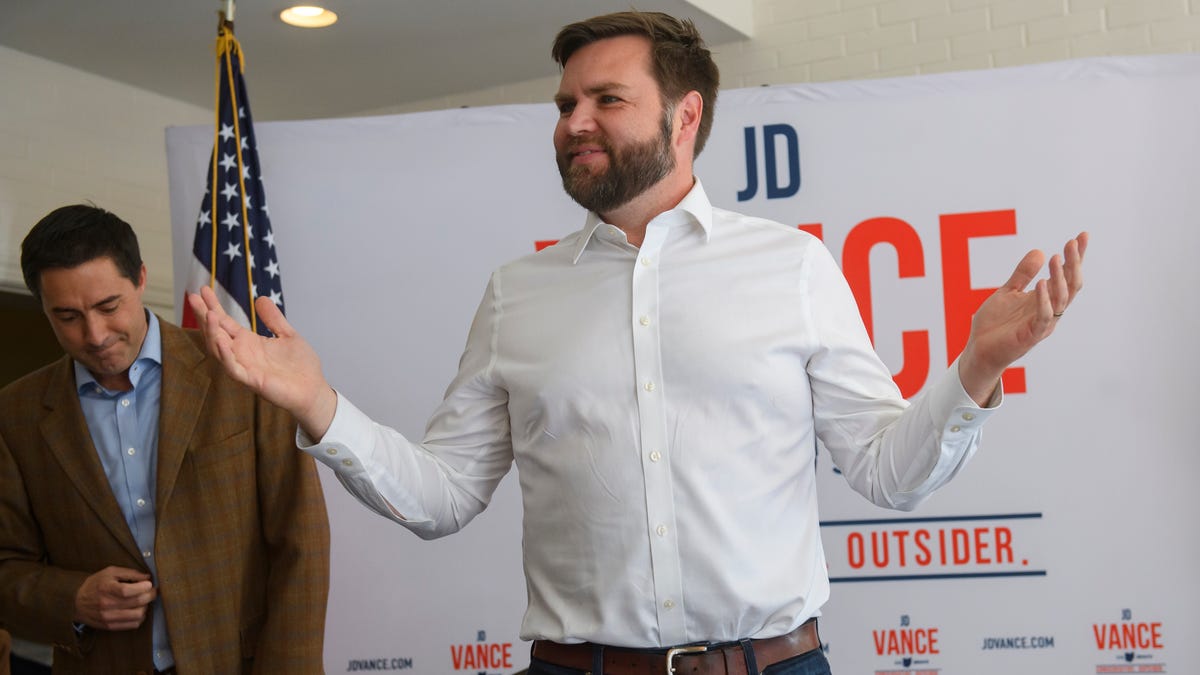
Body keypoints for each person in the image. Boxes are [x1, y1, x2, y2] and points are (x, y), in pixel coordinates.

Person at [189, 11, 1087, 675]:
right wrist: (318, 403)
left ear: (684, 116)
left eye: (606, 99)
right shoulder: (517, 294)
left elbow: (889, 472)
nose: (574, 120)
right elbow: (444, 494)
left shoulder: (793, 266)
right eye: (566, 102)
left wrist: (975, 369)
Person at [0, 205, 331, 674]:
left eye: (108, 307)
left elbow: (301, 541)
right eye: (67, 316)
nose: (94, 335)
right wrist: (72, 599)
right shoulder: (15, 415)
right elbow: (6, 568)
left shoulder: (241, 371)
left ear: (139, 278)